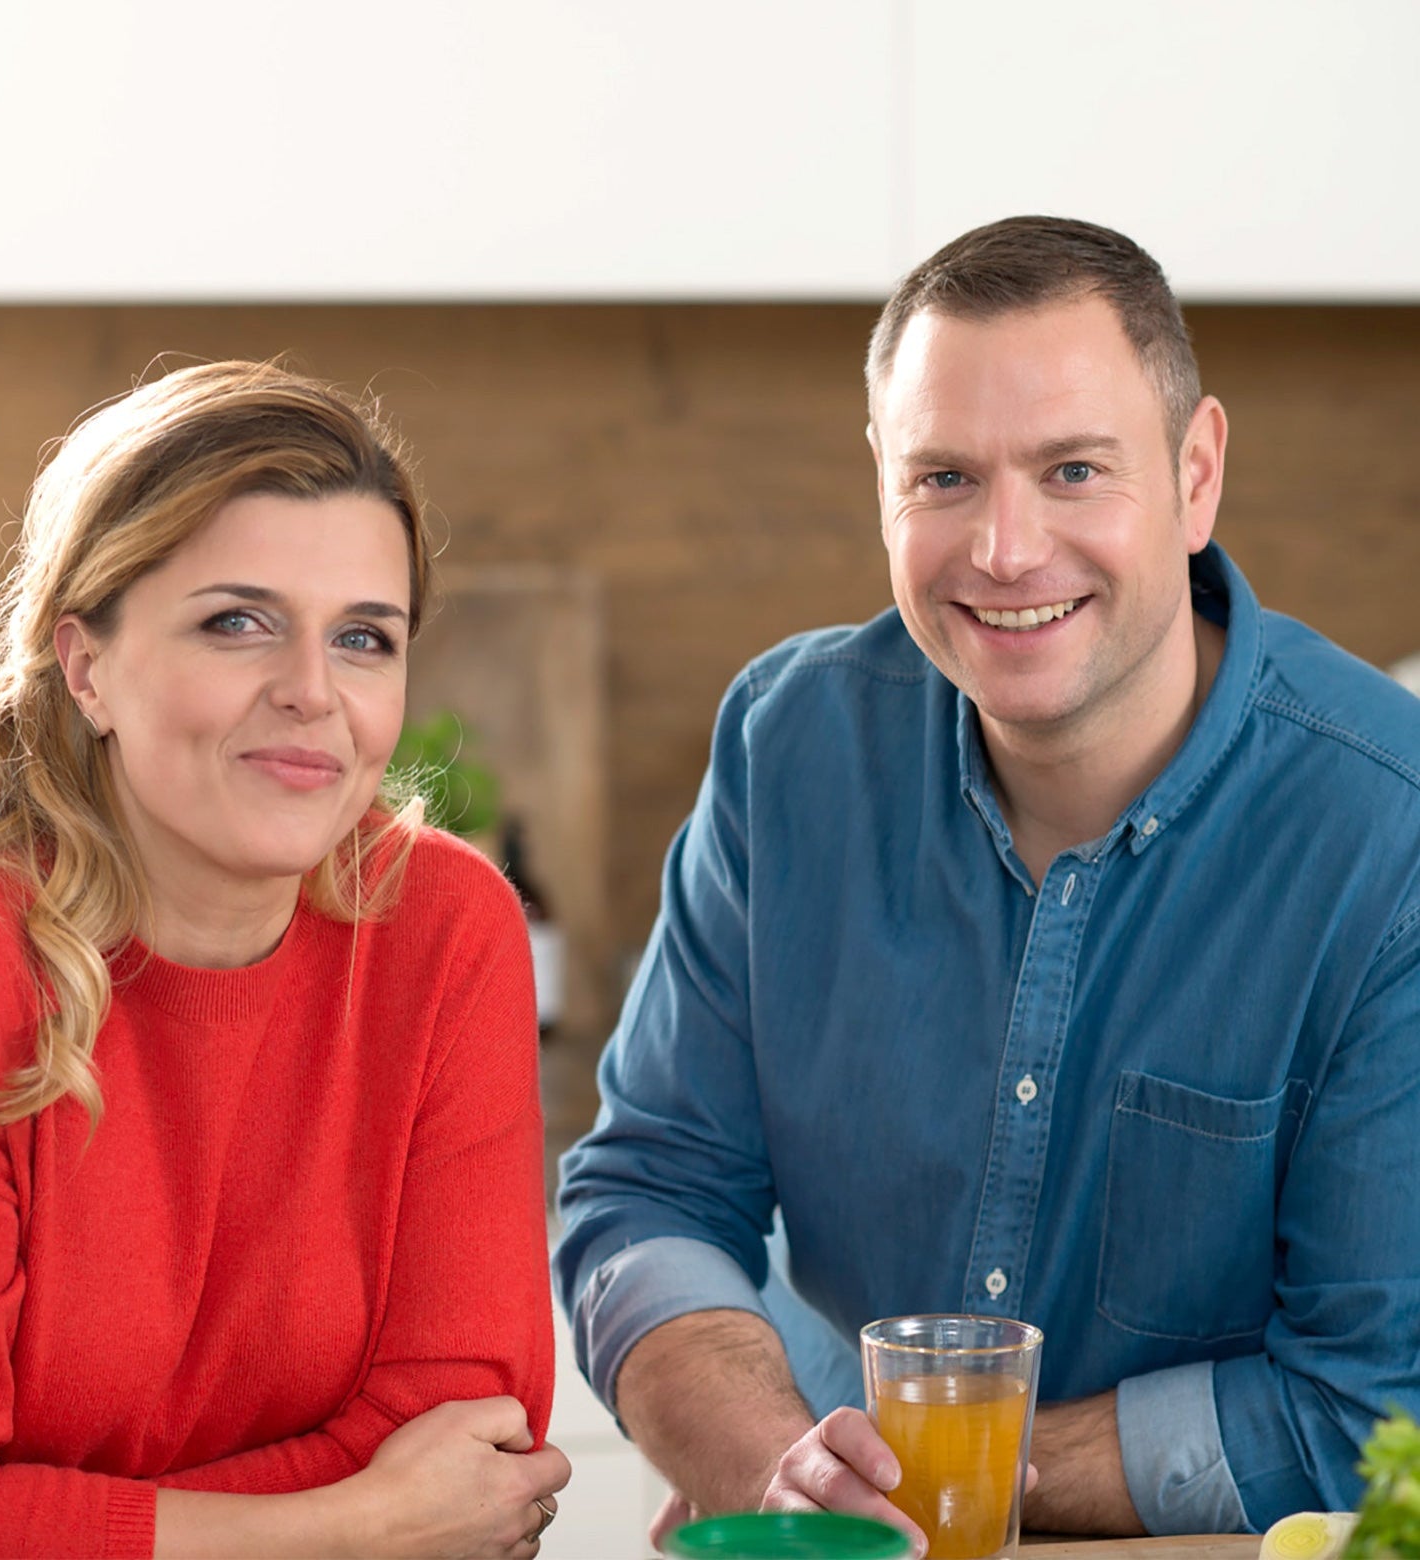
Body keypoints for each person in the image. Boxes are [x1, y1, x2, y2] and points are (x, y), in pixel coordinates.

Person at [554, 216, 1420, 1547]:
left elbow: (1369, 1407)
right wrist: (768, 1463)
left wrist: (912, 1485)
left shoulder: (1388, 833)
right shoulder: (789, 747)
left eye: (1074, 471)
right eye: (945, 478)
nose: (1006, 550)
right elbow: (649, 1193)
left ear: (1196, 476)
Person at [0, 360, 570, 1558]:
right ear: (86, 667)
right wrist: (364, 1524)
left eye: (363, 639)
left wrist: (66, 1515)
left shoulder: (448, 929)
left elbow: (473, 1436)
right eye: (237, 622)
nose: (311, 694)